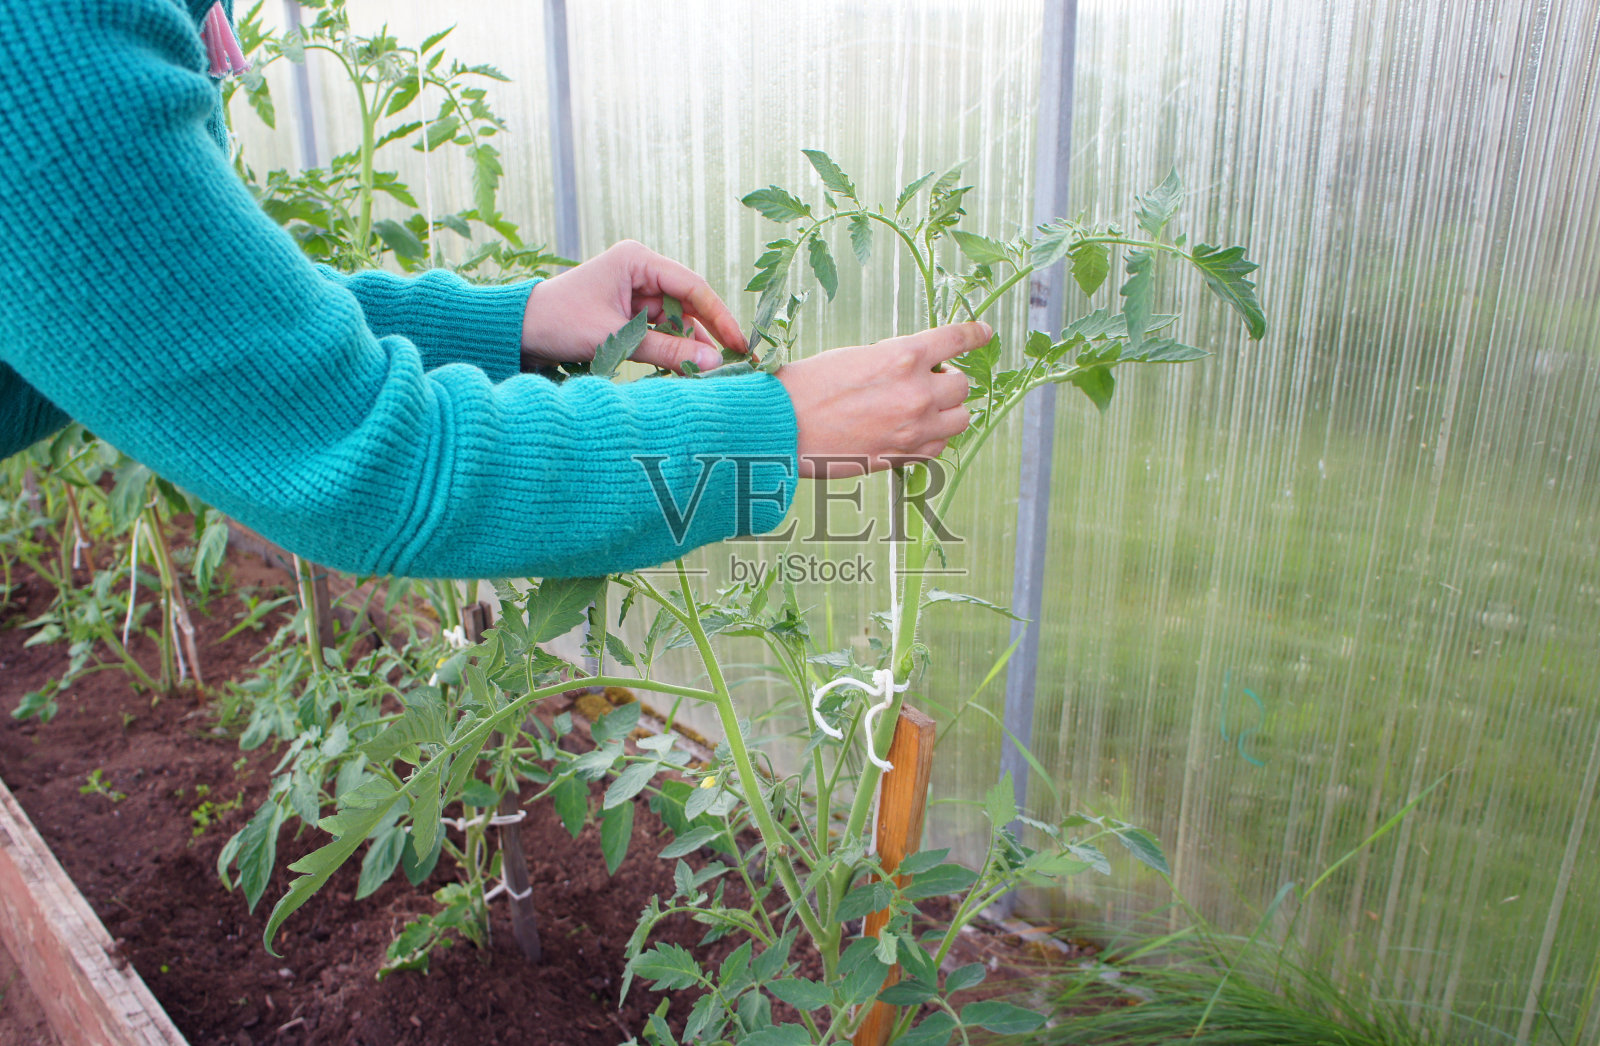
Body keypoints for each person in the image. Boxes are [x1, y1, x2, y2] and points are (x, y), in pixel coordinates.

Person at [0, 0, 981, 579]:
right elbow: (369, 468)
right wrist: (771, 428)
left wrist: (511, 321)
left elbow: (190, 324)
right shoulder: (40, 42)